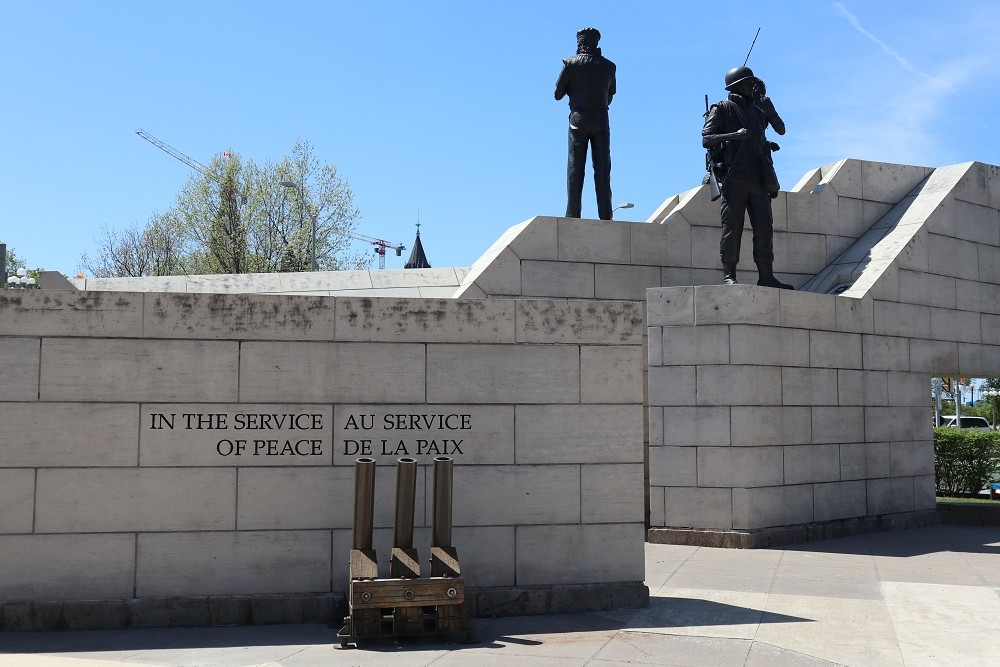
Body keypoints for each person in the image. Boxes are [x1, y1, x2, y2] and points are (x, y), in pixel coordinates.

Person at [702, 66, 793, 289]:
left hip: (758, 179)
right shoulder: (721, 108)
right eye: (748, 83)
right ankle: (729, 275)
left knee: (764, 228)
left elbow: (761, 137)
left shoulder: (758, 112)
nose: (753, 86)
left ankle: (766, 275)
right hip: (735, 179)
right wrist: (735, 136)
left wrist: (766, 144)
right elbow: (707, 138)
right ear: (736, 86)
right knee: (732, 228)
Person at [555, 27, 616, 220]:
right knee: (603, 169)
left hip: (578, 119)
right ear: (596, 43)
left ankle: (573, 213)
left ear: (580, 43)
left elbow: (557, 94)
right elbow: (610, 96)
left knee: (575, 167)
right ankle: (606, 214)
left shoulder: (570, 64)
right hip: (601, 120)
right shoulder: (609, 67)